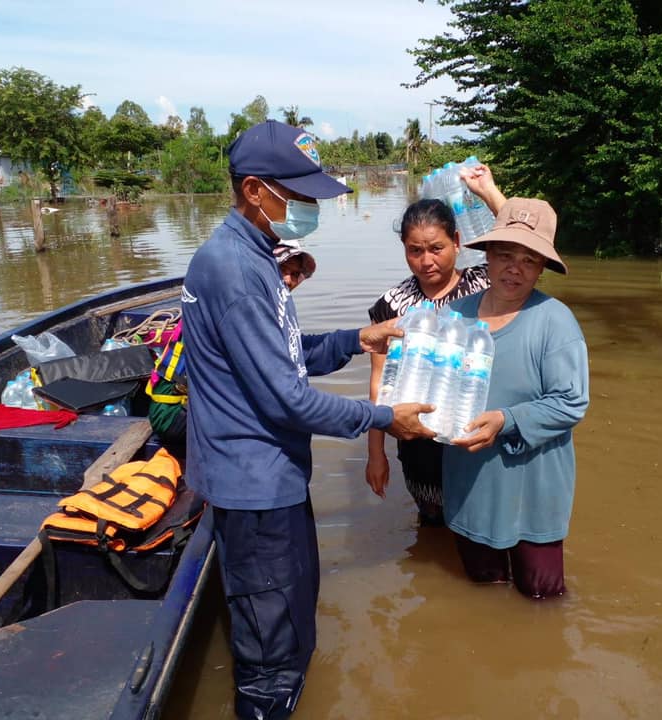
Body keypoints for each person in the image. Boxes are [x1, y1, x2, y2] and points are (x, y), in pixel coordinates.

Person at [181, 120, 434, 720]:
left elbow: (288, 356)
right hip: (253, 484)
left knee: (291, 616)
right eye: (298, 196)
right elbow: (286, 400)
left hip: (272, 475)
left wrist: (355, 338)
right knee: (270, 650)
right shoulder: (237, 272)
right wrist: (382, 418)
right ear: (254, 191)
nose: (310, 207)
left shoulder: (257, 258)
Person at [443, 197, 589, 599]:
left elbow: (571, 401)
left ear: (542, 267)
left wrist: (504, 420)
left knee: (541, 600)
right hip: (471, 484)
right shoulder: (454, 317)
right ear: (486, 256)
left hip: (535, 491)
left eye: (529, 259)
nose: (514, 268)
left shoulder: (554, 321)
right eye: (505, 254)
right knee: (484, 595)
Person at [365, 164, 506, 525]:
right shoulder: (392, 305)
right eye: (415, 250)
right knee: (431, 522)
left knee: (481, 526)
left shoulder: (486, 285)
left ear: (457, 243)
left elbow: (520, 242)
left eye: (437, 248)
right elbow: (380, 383)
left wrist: (488, 192)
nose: (426, 260)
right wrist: (376, 454)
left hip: (475, 432)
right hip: (418, 440)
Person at [146, 241, 317, 458]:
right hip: (172, 412)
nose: (289, 280)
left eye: (296, 275)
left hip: (196, 402)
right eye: (282, 270)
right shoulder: (240, 304)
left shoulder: (264, 304)